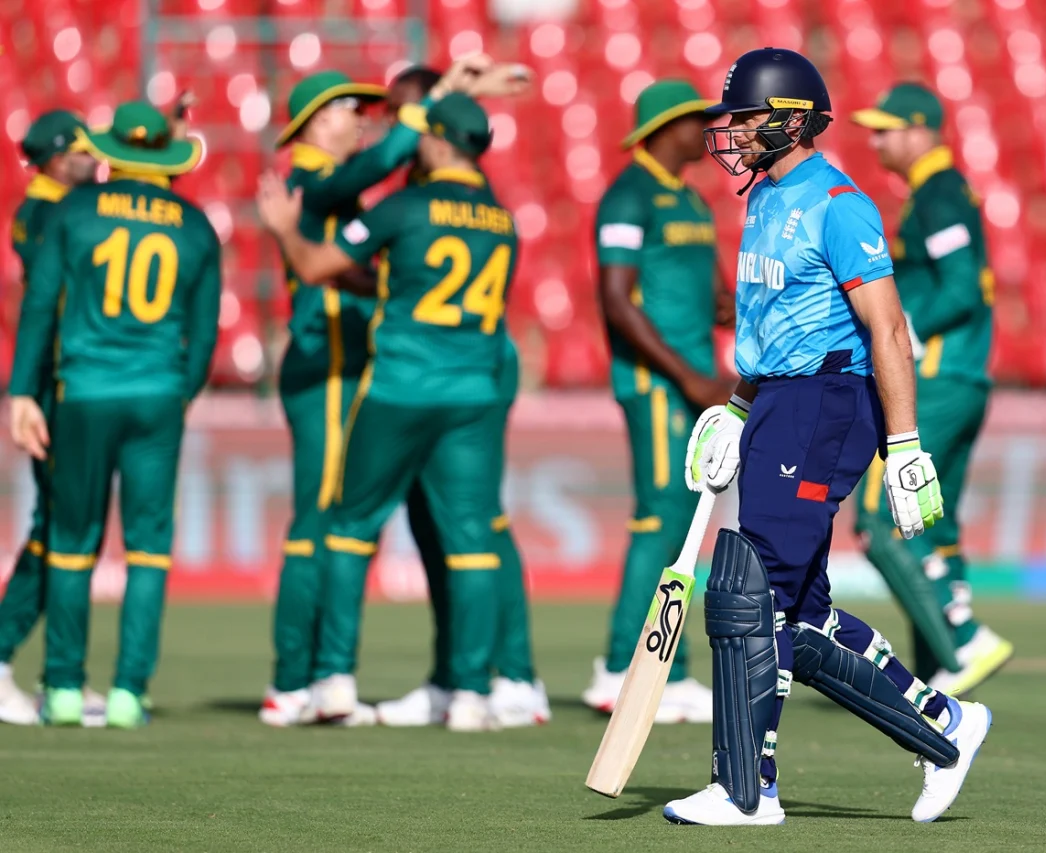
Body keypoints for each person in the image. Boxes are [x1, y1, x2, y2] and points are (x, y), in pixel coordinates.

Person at [662, 48, 991, 826]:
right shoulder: (762, 199)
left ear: (791, 120)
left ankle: (746, 789)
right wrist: (740, 408)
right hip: (779, 401)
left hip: (827, 404)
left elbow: (887, 327)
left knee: (749, 586)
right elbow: (771, 324)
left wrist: (905, 446)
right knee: (800, 619)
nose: (732, 132)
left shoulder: (840, 202)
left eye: (745, 117)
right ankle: (946, 725)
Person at [261, 58, 529, 727]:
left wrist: (283, 230)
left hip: (393, 385)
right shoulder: (504, 219)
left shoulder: (400, 203)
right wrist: (454, 94)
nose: (370, 119)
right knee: (469, 537)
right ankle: (470, 690)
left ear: (434, 140)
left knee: (345, 528)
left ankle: (326, 679)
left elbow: (320, 261)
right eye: (351, 108)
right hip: (465, 394)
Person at [8, 101, 222, 728]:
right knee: (149, 549)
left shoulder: (74, 212)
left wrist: (22, 392)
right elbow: (205, 338)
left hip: (84, 391)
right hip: (157, 395)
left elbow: (41, 305)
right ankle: (129, 694)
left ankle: (65, 690)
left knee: (73, 544)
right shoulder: (197, 225)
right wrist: (176, 394)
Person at [374, 65, 549, 729]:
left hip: (464, 362)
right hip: (438, 365)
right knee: (433, 522)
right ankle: (452, 673)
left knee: (478, 520)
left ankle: (516, 673)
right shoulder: (421, 183)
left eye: (405, 117)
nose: (399, 130)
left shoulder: (448, 188)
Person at [851, 83, 1014, 695]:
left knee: (880, 518)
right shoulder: (936, 194)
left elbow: (962, 287)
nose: (876, 140)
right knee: (930, 521)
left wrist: (908, 335)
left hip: (938, 376)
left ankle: (963, 641)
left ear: (920, 130)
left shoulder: (940, 195)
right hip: (964, 376)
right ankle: (938, 663)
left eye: (886, 129)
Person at [580, 79, 733, 723]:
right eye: (697, 119)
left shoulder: (692, 200)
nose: (707, 129)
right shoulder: (629, 194)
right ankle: (620, 666)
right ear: (665, 127)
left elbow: (712, 292)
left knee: (684, 520)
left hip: (696, 378)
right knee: (660, 516)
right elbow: (617, 301)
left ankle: (668, 669)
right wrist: (687, 376)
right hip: (657, 383)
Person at [0, 110, 101, 726]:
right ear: (56, 157)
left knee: (69, 528)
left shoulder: (62, 210)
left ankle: (63, 675)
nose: (95, 160)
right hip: (56, 389)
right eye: (84, 151)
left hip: (69, 386)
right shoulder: (44, 215)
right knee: (57, 530)